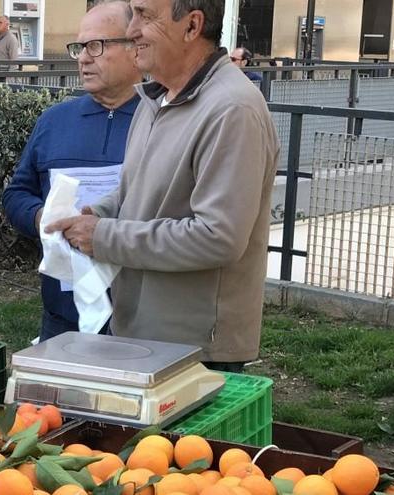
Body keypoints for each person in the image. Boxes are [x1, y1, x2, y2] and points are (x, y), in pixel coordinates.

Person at [48, 0, 279, 371]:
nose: (131, 30)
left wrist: (104, 237)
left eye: (145, 16)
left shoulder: (232, 109)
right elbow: (133, 189)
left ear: (191, 26)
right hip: (142, 334)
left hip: (197, 351)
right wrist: (97, 213)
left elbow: (217, 237)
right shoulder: (156, 98)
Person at [2, 0, 142, 342]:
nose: (82, 57)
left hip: (140, 315)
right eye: (80, 47)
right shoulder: (54, 121)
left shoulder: (162, 121)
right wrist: (41, 218)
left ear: (135, 48)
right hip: (63, 315)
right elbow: (17, 192)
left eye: (97, 45)